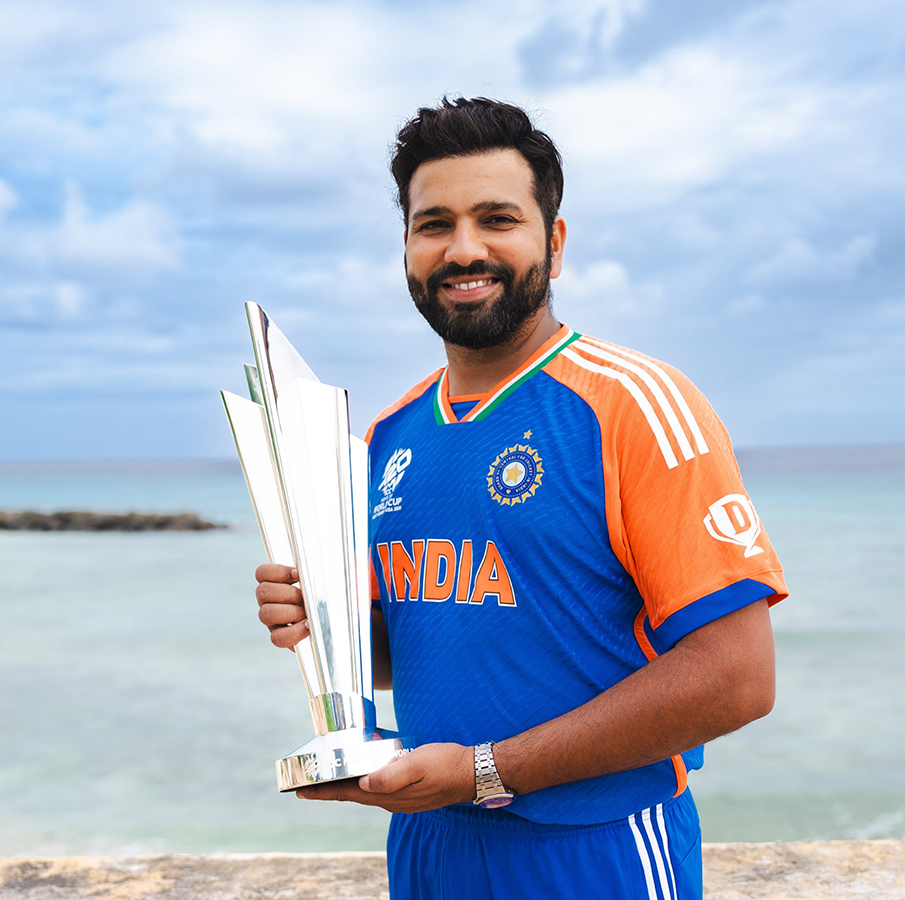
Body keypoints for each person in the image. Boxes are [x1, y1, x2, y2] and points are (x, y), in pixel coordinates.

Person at [254, 97, 788, 900]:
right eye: (434, 224)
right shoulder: (390, 436)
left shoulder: (632, 404)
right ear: (406, 248)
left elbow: (737, 678)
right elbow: (435, 646)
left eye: (496, 218)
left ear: (555, 242)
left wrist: (485, 772)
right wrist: (326, 629)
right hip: (431, 839)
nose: (463, 249)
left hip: (595, 847)